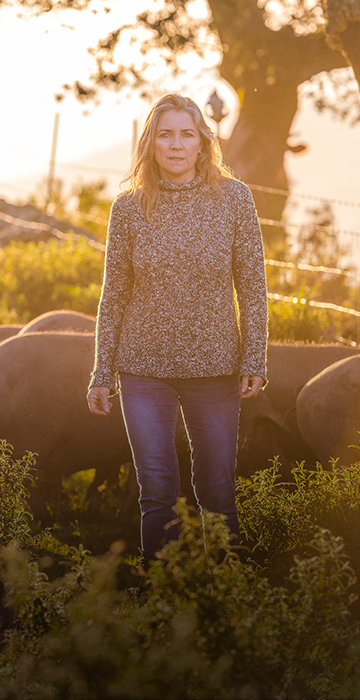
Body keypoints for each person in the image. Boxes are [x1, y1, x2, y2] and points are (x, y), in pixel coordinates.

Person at [87, 93, 268, 563]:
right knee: (157, 490)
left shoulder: (234, 199)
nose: (176, 144)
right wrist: (102, 372)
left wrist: (254, 358)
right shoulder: (127, 209)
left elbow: (252, 287)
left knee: (217, 491)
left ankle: (224, 601)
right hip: (143, 370)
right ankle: (162, 601)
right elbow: (114, 295)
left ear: (203, 143)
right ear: (151, 144)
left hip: (216, 368)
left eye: (187, 134)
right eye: (165, 134)